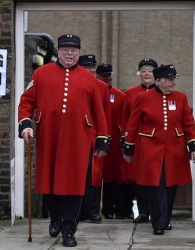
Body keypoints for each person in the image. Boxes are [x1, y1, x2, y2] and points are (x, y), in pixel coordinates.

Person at [18, 34, 109, 247]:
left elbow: (99, 112)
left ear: (79, 52)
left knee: (74, 186)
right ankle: (55, 218)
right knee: (49, 182)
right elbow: (26, 102)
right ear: (58, 52)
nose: (70, 53)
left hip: (79, 139)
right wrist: (25, 124)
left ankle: (69, 229)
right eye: (65, 50)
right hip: (49, 136)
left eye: (74, 50)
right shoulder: (41, 74)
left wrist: (103, 139)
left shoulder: (89, 80)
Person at [123, 64, 195, 235]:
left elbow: (188, 124)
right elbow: (133, 123)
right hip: (151, 149)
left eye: (174, 79)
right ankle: (158, 223)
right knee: (156, 186)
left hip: (175, 150)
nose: (173, 82)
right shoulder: (143, 98)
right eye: (169, 79)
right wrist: (128, 147)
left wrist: (194, 146)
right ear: (158, 81)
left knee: (171, 186)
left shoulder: (180, 98)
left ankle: (165, 219)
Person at [121, 58, 158, 223]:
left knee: (157, 178)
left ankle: (158, 213)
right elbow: (125, 119)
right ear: (139, 75)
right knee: (140, 178)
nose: (147, 74)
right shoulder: (130, 93)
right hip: (138, 142)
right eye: (143, 71)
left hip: (157, 142)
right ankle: (143, 212)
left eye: (150, 71)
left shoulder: (163, 92)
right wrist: (126, 141)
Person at [78, 54, 111, 223]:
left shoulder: (102, 87)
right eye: (86, 67)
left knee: (94, 176)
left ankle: (93, 210)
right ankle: (78, 211)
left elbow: (105, 114)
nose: (90, 70)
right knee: (78, 174)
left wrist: (104, 138)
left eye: (92, 67)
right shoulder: (74, 83)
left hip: (95, 137)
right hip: (77, 136)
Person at [96, 64, 130, 219]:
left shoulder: (119, 95)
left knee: (114, 177)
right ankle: (92, 209)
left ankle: (111, 209)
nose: (108, 77)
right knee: (94, 177)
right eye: (104, 75)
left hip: (114, 142)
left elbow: (125, 119)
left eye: (109, 74)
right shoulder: (93, 91)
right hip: (96, 140)